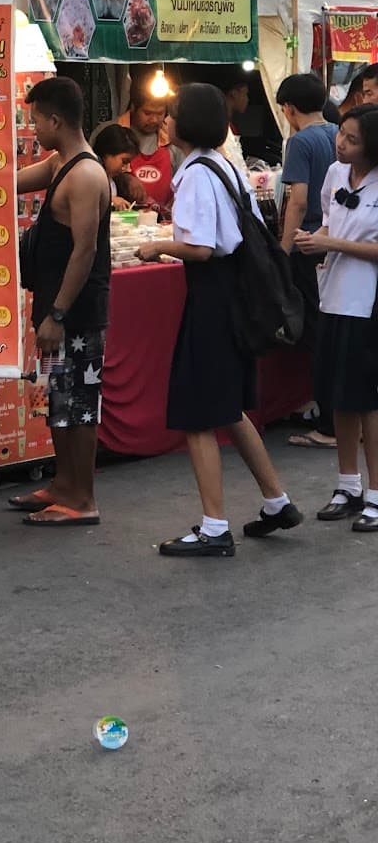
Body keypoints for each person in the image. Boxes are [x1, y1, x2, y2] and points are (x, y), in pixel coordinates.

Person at [137, 83, 302, 556]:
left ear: (184, 125)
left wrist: (159, 245)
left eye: (170, 115)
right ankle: (277, 500)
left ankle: (213, 527)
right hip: (236, 298)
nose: (164, 122)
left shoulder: (194, 175)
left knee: (198, 415)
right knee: (228, 408)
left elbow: (202, 247)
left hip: (211, 301)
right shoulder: (226, 167)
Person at [12, 77, 112, 526]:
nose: (32, 128)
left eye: (35, 119)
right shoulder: (59, 164)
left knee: (79, 402)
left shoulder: (87, 175)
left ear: (55, 120)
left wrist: (57, 314)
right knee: (58, 396)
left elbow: (85, 251)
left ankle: (83, 498)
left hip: (75, 312)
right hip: (54, 308)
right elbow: (7, 183)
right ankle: (63, 483)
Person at [295, 107, 378, 530]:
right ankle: (348, 483)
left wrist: (332, 243)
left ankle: (376, 493)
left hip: (368, 301)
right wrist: (320, 245)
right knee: (339, 395)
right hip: (333, 296)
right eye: (341, 135)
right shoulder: (333, 174)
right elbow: (328, 219)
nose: (341, 144)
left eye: (353, 140)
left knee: (368, 400)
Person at [277, 73, 341, 449]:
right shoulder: (338, 133)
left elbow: (298, 201)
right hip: (336, 241)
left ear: (289, 108)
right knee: (332, 329)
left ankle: (329, 424)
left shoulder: (299, 141)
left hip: (310, 243)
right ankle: (336, 412)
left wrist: (284, 248)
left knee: (315, 332)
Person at [117, 84, 174, 211]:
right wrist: (124, 178)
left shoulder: (172, 138)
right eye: (147, 113)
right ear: (133, 107)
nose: (154, 120)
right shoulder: (112, 133)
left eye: (159, 113)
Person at [92, 125, 140, 211]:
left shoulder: (114, 182)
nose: (127, 168)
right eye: (124, 161)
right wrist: (110, 200)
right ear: (107, 155)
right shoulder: (88, 176)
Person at [220, 67, 251, 173]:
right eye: (245, 93)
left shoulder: (229, 125)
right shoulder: (223, 128)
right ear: (233, 93)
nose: (247, 99)